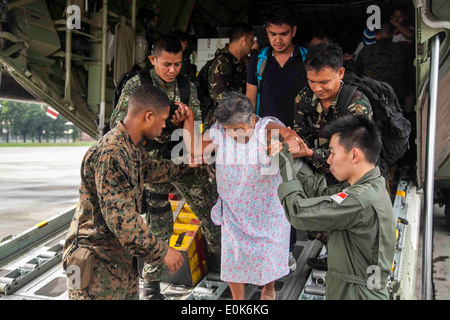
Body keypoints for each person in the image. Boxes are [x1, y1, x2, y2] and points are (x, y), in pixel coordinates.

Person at [109, 34, 220, 300]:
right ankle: (151, 284)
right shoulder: (138, 85)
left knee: (213, 210)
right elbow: (119, 124)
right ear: (152, 60)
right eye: (166, 64)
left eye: (178, 64)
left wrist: (185, 120)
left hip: (182, 161)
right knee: (159, 226)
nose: (172, 70)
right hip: (152, 165)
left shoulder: (186, 87)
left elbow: (194, 133)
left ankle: (221, 264)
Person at [62, 85, 185, 300]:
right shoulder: (112, 154)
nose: (164, 125)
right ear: (148, 116)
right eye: (163, 119)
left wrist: (188, 166)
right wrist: (163, 251)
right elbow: (123, 220)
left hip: (116, 261)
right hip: (95, 265)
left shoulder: (131, 148)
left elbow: (151, 169)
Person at [181, 92, 302, 300]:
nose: (234, 135)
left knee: (268, 255)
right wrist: (189, 118)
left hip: (268, 209)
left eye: (240, 130)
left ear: (252, 119)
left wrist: (283, 144)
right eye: (229, 131)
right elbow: (193, 147)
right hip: (234, 207)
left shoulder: (266, 127)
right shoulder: (219, 131)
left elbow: (292, 137)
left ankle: (268, 290)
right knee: (233, 258)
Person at [274, 114, 396, 300]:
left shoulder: (360, 199)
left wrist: (285, 163)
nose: (328, 160)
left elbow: (299, 213)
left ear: (354, 155)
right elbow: (322, 192)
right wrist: (295, 161)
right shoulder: (368, 186)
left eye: (332, 153)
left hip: (356, 293)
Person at [291, 42, 372, 184]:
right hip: (314, 180)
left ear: (340, 73)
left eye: (324, 82)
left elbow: (352, 154)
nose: (317, 88)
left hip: (349, 182)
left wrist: (310, 153)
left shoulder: (357, 105)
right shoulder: (304, 98)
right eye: (311, 81)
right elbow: (301, 135)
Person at [246, 5, 308, 128]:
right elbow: (250, 101)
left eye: (284, 34)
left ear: (293, 31)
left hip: (302, 132)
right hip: (268, 132)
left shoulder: (307, 59)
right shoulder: (257, 60)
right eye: (273, 34)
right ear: (267, 32)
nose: (278, 40)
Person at [355, 21, 409, 105]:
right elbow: (409, 72)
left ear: (377, 35)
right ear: (392, 34)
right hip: (396, 96)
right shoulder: (402, 50)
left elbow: (358, 73)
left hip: (372, 95)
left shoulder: (366, 50)